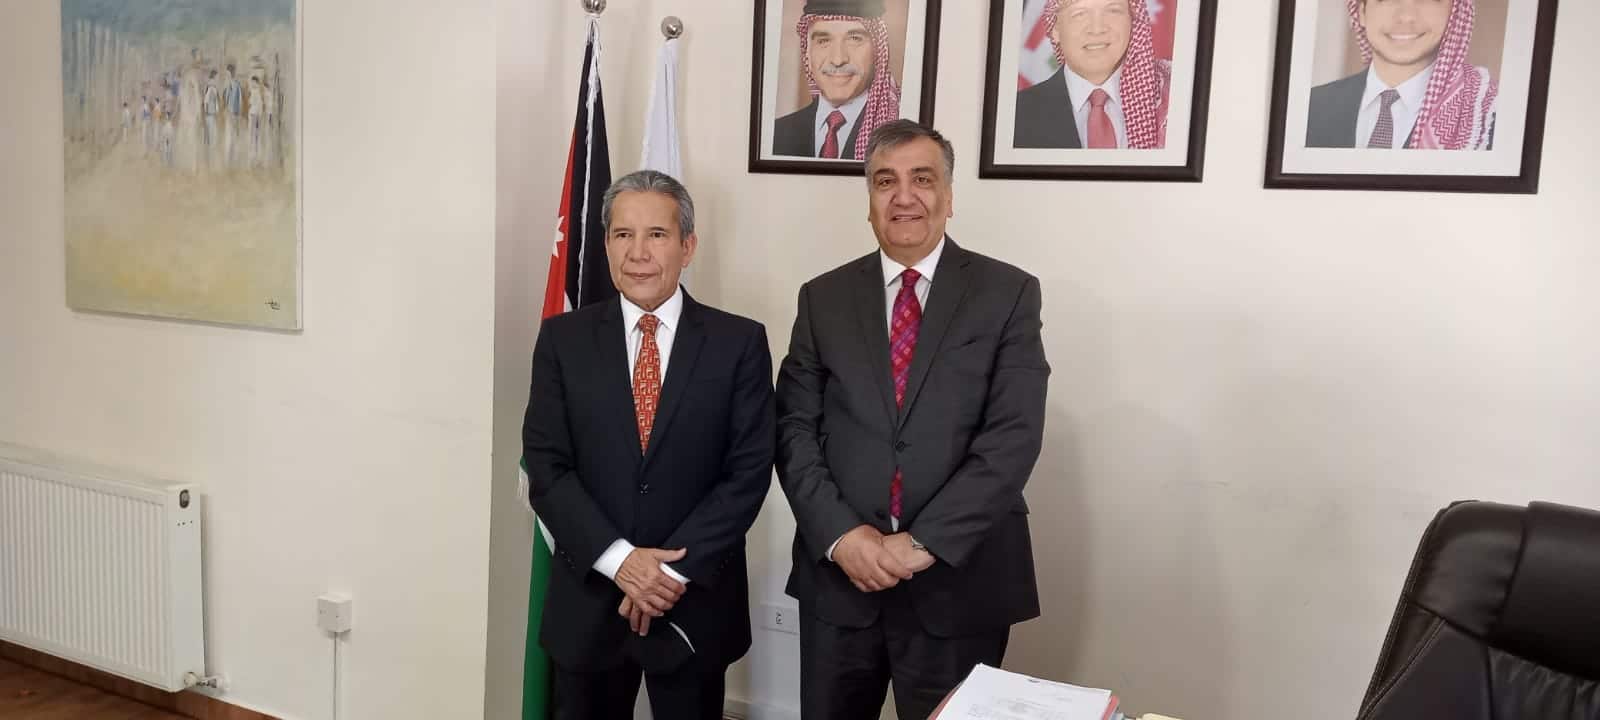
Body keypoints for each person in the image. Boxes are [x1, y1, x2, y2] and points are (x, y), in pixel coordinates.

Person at [776, 120, 1050, 720]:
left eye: (922, 179)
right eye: (885, 181)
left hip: (959, 581)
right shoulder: (822, 298)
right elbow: (794, 431)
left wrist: (923, 544)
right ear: (869, 200)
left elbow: (1012, 437)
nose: (904, 197)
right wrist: (843, 537)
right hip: (842, 581)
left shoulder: (1007, 293)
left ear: (949, 196)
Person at [522, 170, 775, 720]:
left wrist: (665, 576)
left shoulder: (739, 343)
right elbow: (547, 466)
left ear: (688, 246)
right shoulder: (563, 340)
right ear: (606, 244)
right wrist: (621, 563)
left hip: (694, 604)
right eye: (623, 234)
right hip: (590, 602)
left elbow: (748, 473)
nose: (638, 253)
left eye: (657, 234)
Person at [1307, 0, 1497, 150]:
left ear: (1454, 12)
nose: (1406, 17)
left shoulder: (1487, 119)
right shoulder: (1309, 107)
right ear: (1362, 11)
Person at [1015, 0, 1170, 149]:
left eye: (1113, 10)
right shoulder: (1016, 114)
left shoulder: (1171, 100)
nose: (1097, 29)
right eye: (1080, 13)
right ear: (1056, 28)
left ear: (1132, 21)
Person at [773, 0, 902, 160]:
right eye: (823, 41)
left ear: (877, 50)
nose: (838, 59)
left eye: (854, 39)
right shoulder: (776, 134)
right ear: (807, 53)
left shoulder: (901, 132)